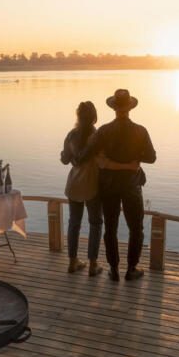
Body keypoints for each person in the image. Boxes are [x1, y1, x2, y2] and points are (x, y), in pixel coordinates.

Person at [83, 88, 156, 281]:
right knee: (136, 228)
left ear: (114, 108)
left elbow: (89, 151)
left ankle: (114, 269)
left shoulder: (103, 131)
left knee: (111, 228)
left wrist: (104, 159)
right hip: (132, 185)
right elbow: (151, 157)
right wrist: (135, 159)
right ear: (129, 108)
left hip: (108, 185)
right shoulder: (140, 131)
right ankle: (131, 269)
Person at [60, 101, 103, 276]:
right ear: (94, 117)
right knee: (95, 223)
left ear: (78, 116)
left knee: (74, 222)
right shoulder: (97, 136)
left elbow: (64, 159)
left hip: (74, 184)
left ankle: (73, 262)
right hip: (92, 183)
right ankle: (93, 264)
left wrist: (68, 155)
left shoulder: (71, 135)